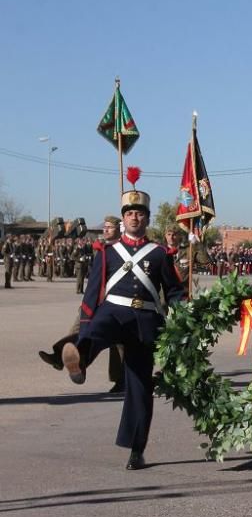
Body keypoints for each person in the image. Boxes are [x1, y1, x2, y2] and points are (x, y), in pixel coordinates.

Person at [60, 184, 186, 470]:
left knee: (140, 388)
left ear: (147, 219)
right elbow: (92, 293)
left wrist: (183, 317)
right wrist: (85, 320)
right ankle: (78, 362)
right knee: (96, 330)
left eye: (139, 214)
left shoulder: (159, 253)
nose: (134, 218)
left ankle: (136, 450)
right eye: (129, 213)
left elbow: (175, 291)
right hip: (114, 312)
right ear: (123, 219)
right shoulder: (107, 252)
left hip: (145, 323)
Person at [38, 215, 127, 393]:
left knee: (118, 344)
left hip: (112, 302)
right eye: (105, 226)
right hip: (92, 301)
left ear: (119, 229)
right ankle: (59, 357)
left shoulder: (125, 251)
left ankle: (120, 380)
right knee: (77, 330)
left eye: (110, 227)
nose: (106, 229)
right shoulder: (101, 249)